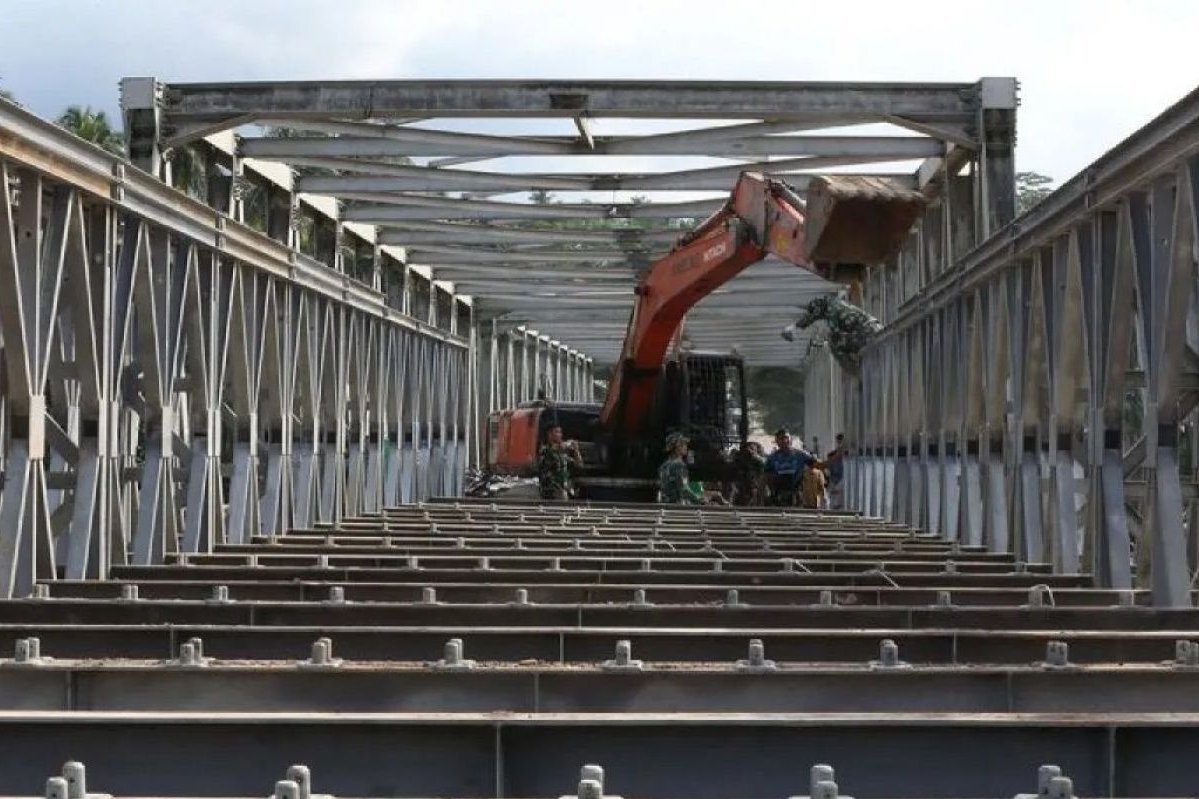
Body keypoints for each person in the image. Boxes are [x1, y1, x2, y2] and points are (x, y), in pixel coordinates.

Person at [765, 428, 819, 506]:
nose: (784, 441)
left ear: (791, 440)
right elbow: (765, 477)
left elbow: (818, 465)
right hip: (778, 496)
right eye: (781, 438)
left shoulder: (801, 454)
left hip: (797, 495)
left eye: (786, 438)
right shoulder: (772, 458)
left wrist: (838, 455)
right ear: (777, 441)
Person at [658, 432, 706, 504]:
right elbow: (684, 489)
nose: (686, 447)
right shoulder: (679, 465)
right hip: (678, 506)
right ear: (677, 447)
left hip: (666, 505)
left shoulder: (663, 466)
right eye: (684, 444)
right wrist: (699, 499)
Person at [537, 424, 581, 501]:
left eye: (560, 432)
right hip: (550, 489)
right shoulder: (545, 450)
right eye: (557, 432)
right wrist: (566, 444)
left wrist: (576, 450)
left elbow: (579, 464)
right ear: (550, 434)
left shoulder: (562, 454)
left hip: (564, 488)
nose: (560, 435)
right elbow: (550, 451)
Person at [731, 441, 768, 506]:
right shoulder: (739, 459)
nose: (749, 451)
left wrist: (755, 456)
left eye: (751, 448)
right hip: (742, 488)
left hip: (757, 487)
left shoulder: (760, 461)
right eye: (746, 449)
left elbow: (765, 464)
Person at [825, 433, 848, 509]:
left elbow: (839, 454)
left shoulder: (842, 448)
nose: (838, 441)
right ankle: (834, 505)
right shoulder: (840, 447)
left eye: (839, 440)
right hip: (836, 475)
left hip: (838, 474)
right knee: (834, 492)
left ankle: (835, 505)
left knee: (835, 491)